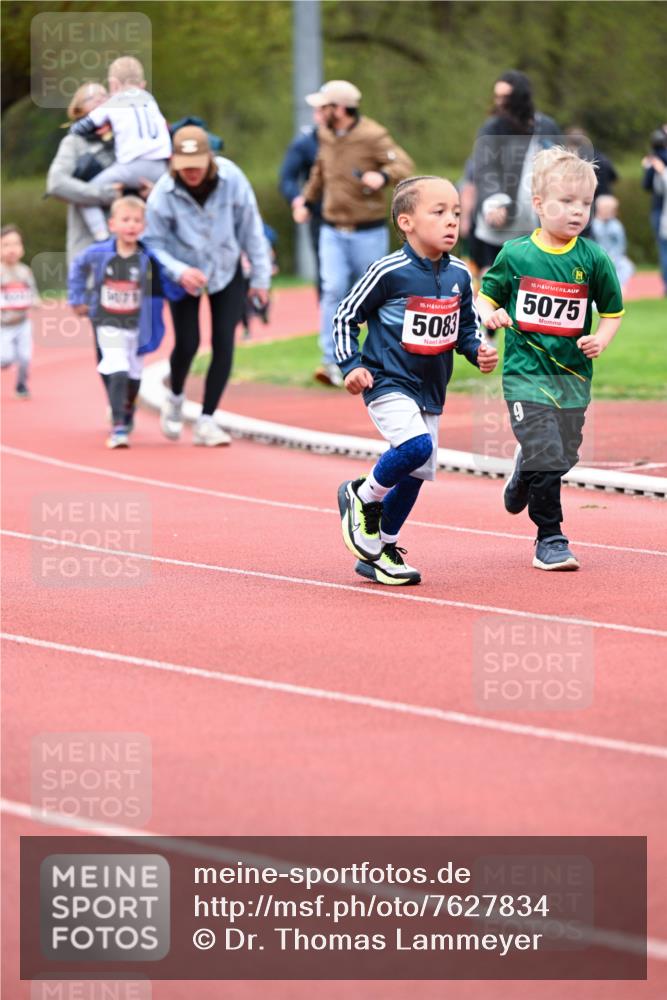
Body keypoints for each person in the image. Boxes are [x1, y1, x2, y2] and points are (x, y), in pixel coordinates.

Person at [335, 176, 498, 585]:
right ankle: (362, 494)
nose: (451, 222)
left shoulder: (461, 274)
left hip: (431, 388)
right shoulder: (388, 272)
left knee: (417, 470)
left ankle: (380, 547)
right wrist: (350, 364)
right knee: (415, 446)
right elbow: (344, 316)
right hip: (387, 380)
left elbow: (465, 329)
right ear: (406, 222)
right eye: (439, 212)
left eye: (457, 214)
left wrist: (477, 350)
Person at [476, 147, 624, 571]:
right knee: (547, 452)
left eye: (585, 204)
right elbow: (485, 297)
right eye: (566, 202)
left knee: (565, 453)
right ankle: (550, 537)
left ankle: (524, 472)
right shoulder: (517, 254)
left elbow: (612, 313)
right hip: (525, 373)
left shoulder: (593, 259)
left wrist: (601, 338)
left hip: (572, 376)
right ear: (539, 204)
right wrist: (493, 314)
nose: (577, 212)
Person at [144, 125, 271, 446]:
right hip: (183, 274)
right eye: (184, 167)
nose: (191, 173)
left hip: (227, 267)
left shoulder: (233, 179)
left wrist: (260, 278)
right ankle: (174, 398)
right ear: (173, 163)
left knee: (223, 342)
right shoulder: (163, 193)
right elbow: (153, 243)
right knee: (188, 342)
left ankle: (207, 419)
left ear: (209, 159)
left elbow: (251, 229)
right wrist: (179, 270)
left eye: (197, 166)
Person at [292, 80, 414, 387]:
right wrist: (306, 200)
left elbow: (405, 165)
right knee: (332, 290)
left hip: (367, 233)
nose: (317, 113)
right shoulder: (324, 135)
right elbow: (319, 171)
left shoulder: (373, 135)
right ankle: (332, 361)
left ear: (340, 109)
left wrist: (383, 175)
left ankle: (379, 360)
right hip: (331, 230)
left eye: (322, 107)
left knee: (372, 297)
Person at [68, 196, 178, 448]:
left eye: (137, 220)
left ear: (144, 226)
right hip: (107, 321)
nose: (131, 225)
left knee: (133, 373)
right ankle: (118, 427)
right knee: (116, 365)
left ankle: (127, 410)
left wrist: (182, 291)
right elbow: (77, 266)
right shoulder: (99, 252)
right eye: (125, 220)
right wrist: (77, 298)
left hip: (138, 325)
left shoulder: (149, 256)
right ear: (112, 225)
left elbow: (165, 283)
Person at [69, 56, 171, 241]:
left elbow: (81, 127)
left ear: (113, 84)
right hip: (161, 167)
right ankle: (154, 235)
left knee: (87, 192)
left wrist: (77, 129)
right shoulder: (150, 99)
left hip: (132, 166)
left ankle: (101, 234)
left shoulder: (114, 102)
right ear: (142, 84)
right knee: (163, 199)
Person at [470, 70, 561, 275]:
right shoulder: (492, 128)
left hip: (538, 217)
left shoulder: (547, 126)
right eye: (498, 97)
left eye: (506, 97)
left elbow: (561, 166)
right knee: (495, 277)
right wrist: (494, 201)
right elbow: (485, 168)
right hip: (503, 215)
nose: (500, 102)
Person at [46, 82, 117, 266]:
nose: (100, 99)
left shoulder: (124, 137)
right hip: (88, 245)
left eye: (104, 95)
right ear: (79, 108)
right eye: (91, 97)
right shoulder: (74, 141)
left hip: (127, 244)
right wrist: (107, 194)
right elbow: (56, 183)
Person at [279, 106, 324, 298]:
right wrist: (298, 200)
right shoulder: (305, 143)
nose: (319, 114)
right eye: (318, 110)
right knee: (329, 278)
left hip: (362, 220)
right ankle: (331, 325)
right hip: (322, 218)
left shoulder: (362, 139)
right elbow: (287, 178)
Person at [1, 225, 39, 398]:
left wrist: (36, 301)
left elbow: (32, 292)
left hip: (22, 323)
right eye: (6, 245)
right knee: (5, 359)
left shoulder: (25, 271)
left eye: (16, 244)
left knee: (25, 358)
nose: (11, 249)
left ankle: (21, 385)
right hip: (3, 325)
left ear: (22, 248)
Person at [642, 126, 667, 295]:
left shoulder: (656, 162)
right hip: (660, 208)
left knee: (664, 248)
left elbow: (646, 185)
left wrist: (652, 168)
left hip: (661, 209)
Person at [591, 195, 635, 290]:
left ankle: (617, 286)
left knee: (627, 266)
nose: (606, 212)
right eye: (604, 209)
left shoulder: (616, 226)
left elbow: (621, 244)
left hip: (614, 257)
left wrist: (614, 256)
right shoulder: (593, 225)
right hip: (597, 257)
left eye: (609, 209)